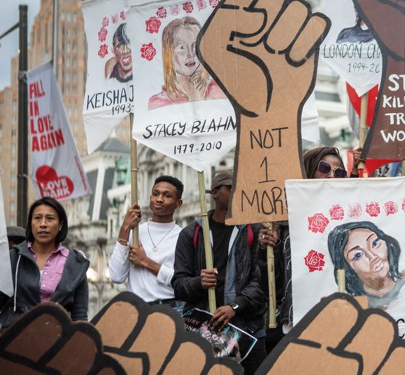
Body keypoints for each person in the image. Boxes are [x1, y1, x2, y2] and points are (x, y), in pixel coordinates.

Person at [255, 146, 354, 353]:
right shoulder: (283, 224)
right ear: (307, 171)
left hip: (344, 320)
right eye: (324, 168)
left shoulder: (353, 219)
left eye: (339, 172)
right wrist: (266, 252)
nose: (331, 175)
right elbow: (270, 286)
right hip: (298, 322)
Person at [172, 169, 267, 373]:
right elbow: (179, 284)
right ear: (214, 193)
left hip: (248, 331)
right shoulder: (190, 234)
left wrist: (235, 306)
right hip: (204, 331)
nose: (237, 193)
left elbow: (261, 282)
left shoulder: (254, 231)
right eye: (231, 188)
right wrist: (199, 282)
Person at [0, 198, 89, 330]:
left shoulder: (76, 263)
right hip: (16, 340)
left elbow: (80, 316)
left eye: (50, 218)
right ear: (30, 223)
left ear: (60, 225)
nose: (43, 224)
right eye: (37, 218)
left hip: (57, 340)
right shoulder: (14, 258)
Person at [109, 175, 184, 308]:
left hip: (169, 309)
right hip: (136, 309)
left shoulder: (183, 236)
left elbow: (182, 281)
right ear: (150, 197)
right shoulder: (135, 232)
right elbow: (116, 276)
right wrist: (125, 228)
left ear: (178, 203)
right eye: (155, 194)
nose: (159, 199)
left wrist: (145, 261)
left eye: (167, 196)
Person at [326, 221, 405, 310]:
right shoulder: (354, 308)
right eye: (358, 255)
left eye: (374, 243)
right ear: (347, 267)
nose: (373, 257)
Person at [148, 16, 225, 110]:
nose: (190, 54)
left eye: (195, 45)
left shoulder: (220, 90)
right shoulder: (158, 103)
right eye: (182, 47)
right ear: (169, 53)